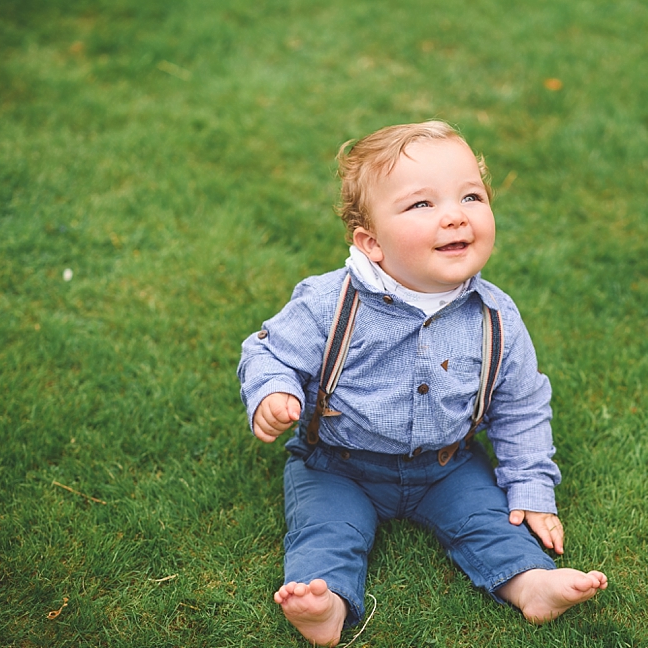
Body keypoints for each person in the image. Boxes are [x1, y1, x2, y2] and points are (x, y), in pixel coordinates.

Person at [238, 120, 607, 646]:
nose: (455, 215)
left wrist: (531, 487)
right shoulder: (331, 303)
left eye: (471, 196)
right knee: (329, 531)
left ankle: (531, 584)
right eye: (421, 205)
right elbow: (268, 351)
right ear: (372, 244)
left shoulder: (495, 317)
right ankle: (324, 604)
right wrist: (275, 392)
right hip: (339, 465)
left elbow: (521, 405)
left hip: (447, 465)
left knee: (487, 518)